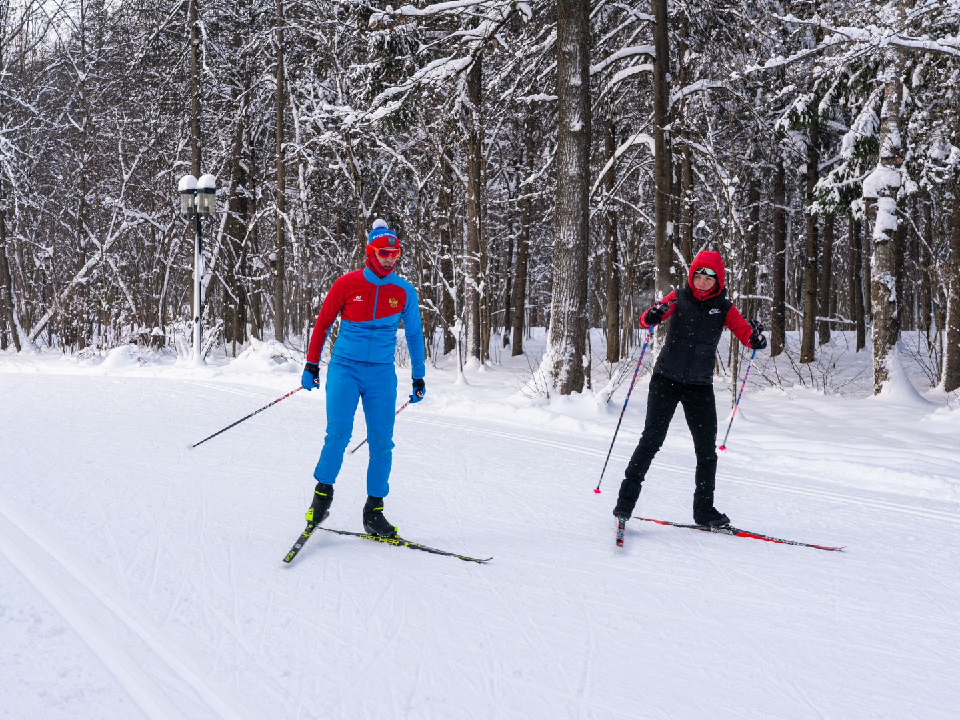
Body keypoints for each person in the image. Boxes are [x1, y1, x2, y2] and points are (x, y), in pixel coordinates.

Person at [613, 249, 766, 528]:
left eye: (709, 277)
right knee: (651, 441)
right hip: (665, 380)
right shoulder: (679, 298)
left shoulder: (725, 308)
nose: (703, 281)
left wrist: (755, 339)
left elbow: (745, 333)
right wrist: (653, 315)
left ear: (718, 280)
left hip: (699, 385)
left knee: (706, 451)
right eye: (698, 275)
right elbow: (646, 319)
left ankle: (704, 511)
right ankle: (624, 506)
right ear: (691, 276)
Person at [300, 219, 426, 538]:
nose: (390, 258)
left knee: (382, 442)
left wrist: (419, 377)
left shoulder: (403, 291)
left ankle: (374, 512)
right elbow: (323, 323)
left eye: (395, 253)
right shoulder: (347, 284)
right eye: (384, 252)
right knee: (339, 434)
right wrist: (312, 365)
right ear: (371, 251)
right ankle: (321, 499)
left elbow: (414, 335)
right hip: (344, 368)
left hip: (381, 375)